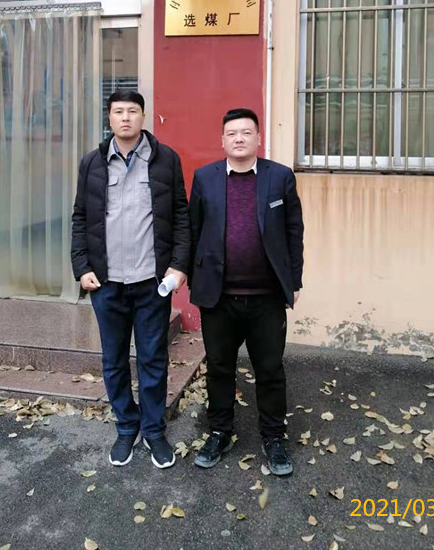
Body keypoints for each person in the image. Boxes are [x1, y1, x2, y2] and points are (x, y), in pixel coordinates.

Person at [71, 89, 190, 469]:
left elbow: (181, 215)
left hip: (151, 281)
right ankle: (126, 425)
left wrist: (179, 266)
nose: (125, 117)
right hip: (106, 283)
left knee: (153, 359)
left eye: (133, 111)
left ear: (143, 117)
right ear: (109, 118)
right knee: (114, 360)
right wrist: (82, 267)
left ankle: (153, 430)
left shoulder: (165, 159)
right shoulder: (92, 163)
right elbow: (80, 217)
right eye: (119, 111)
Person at [189, 108, 304, 475]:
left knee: (270, 369)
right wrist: (194, 279)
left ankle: (274, 437)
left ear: (258, 138)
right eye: (232, 133)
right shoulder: (205, 178)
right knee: (219, 368)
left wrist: (294, 281)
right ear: (222, 140)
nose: (239, 138)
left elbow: (293, 232)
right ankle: (219, 432)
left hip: (266, 298)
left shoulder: (279, 177)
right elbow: (193, 232)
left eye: (246, 132)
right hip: (219, 298)